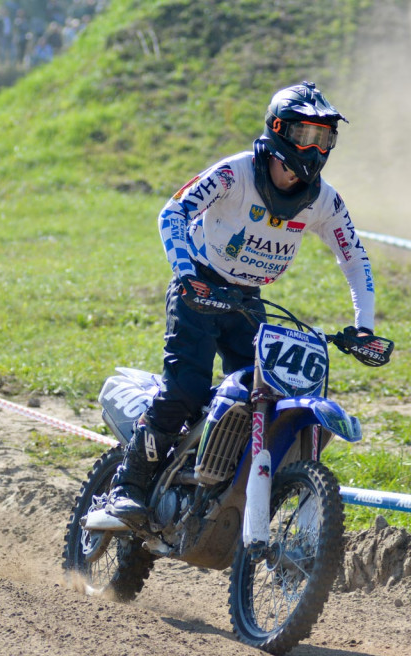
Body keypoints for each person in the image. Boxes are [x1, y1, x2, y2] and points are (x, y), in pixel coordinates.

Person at [106, 81, 380, 524]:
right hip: (200, 290)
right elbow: (172, 212)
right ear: (278, 130)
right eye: (305, 136)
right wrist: (187, 273)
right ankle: (128, 485)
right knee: (184, 389)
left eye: (324, 139)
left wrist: (363, 325)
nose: (313, 150)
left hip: (247, 301)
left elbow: (355, 257)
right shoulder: (235, 173)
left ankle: (218, 488)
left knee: (263, 394)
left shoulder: (324, 200)